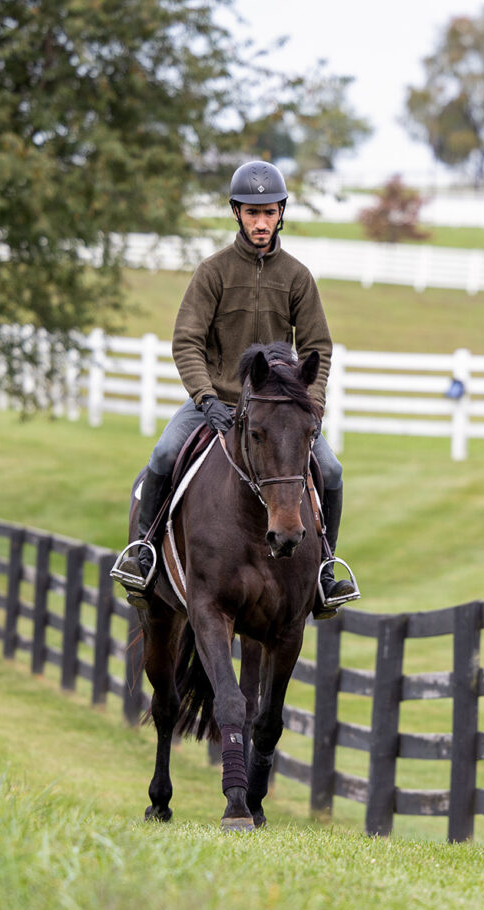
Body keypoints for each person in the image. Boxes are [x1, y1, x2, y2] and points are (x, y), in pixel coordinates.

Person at [111, 159, 359, 617]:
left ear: (281, 213)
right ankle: (144, 555)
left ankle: (326, 569)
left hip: (278, 411)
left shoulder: (298, 276)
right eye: (251, 212)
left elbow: (317, 345)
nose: (260, 221)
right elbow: (186, 341)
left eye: (268, 212)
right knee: (163, 455)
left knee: (334, 471)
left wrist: (313, 403)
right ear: (237, 214)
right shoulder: (213, 272)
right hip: (218, 403)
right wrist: (206, 399)